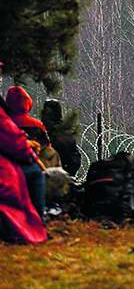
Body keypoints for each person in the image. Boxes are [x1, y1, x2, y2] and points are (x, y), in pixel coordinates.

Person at [0, 68, 47, 244]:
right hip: (14, 161)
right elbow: (14, 140)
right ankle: (37, 221)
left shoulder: (8, 116)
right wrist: (31, 155)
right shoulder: (36, 124)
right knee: (35, 173)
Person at [4, 86, 47, 219]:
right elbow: (47, 146)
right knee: (37, 173)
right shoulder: (37, 124)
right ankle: (40, 213)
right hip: (29, 160)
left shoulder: (6, 121)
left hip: (9, 164)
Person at [41, 99, 82, 176]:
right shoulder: (66, 133)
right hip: (63, 176)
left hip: (42, 175)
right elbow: (74, 159)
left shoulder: (39, 130)